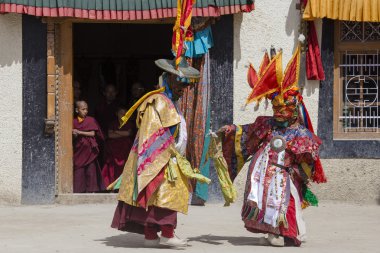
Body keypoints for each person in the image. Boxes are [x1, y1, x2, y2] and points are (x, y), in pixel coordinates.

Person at [218, 47, 326, 247]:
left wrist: (295, 164)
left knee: (288, 202)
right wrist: (231, 129)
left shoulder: (301, 133)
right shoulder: (266, 124)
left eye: (284, 109)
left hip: (285, 175)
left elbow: (307, 159)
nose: (279, 113)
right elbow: (248, 131)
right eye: (276, 109)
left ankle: (288, 233)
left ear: (294, 110)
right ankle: (271, 233)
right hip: (262, 175)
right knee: (262, 199)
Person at [110, 57, 210, 248]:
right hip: (160, 156)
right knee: (167, 193)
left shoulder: (170, 102)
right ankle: (167, 234)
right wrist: (167, 153)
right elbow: (152, 131)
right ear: (168, 79)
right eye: (179, 82)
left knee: (155, 196)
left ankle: (150, 236)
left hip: (167, 155)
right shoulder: (159, 101)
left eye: (186, 84)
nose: (183, 88)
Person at [73, 101, 105, 193]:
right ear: (76, 110)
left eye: (86, 109)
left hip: (90, 151)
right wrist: (74, 134)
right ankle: (78, 190)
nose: (85, 111)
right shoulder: (73, 122)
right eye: (83, 109)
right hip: (79, 150)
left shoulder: (90, 120)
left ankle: (91, 190)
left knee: (91, 171)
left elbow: (92, 133)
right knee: (79, 171)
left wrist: (78, 132)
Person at [101, 106, 136, 188]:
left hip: (125, 148)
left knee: (125, 166)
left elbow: (129, 134)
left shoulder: (130, 124)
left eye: (125, 114)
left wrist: (116, 132)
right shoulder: (113, 123)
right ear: (116, 114)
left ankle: (123, 186)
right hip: (114, 149)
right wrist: (123, 133)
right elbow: (110, 135)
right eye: (121, 113)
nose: (123, 115)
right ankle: (112, 185)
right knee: (112, 168)